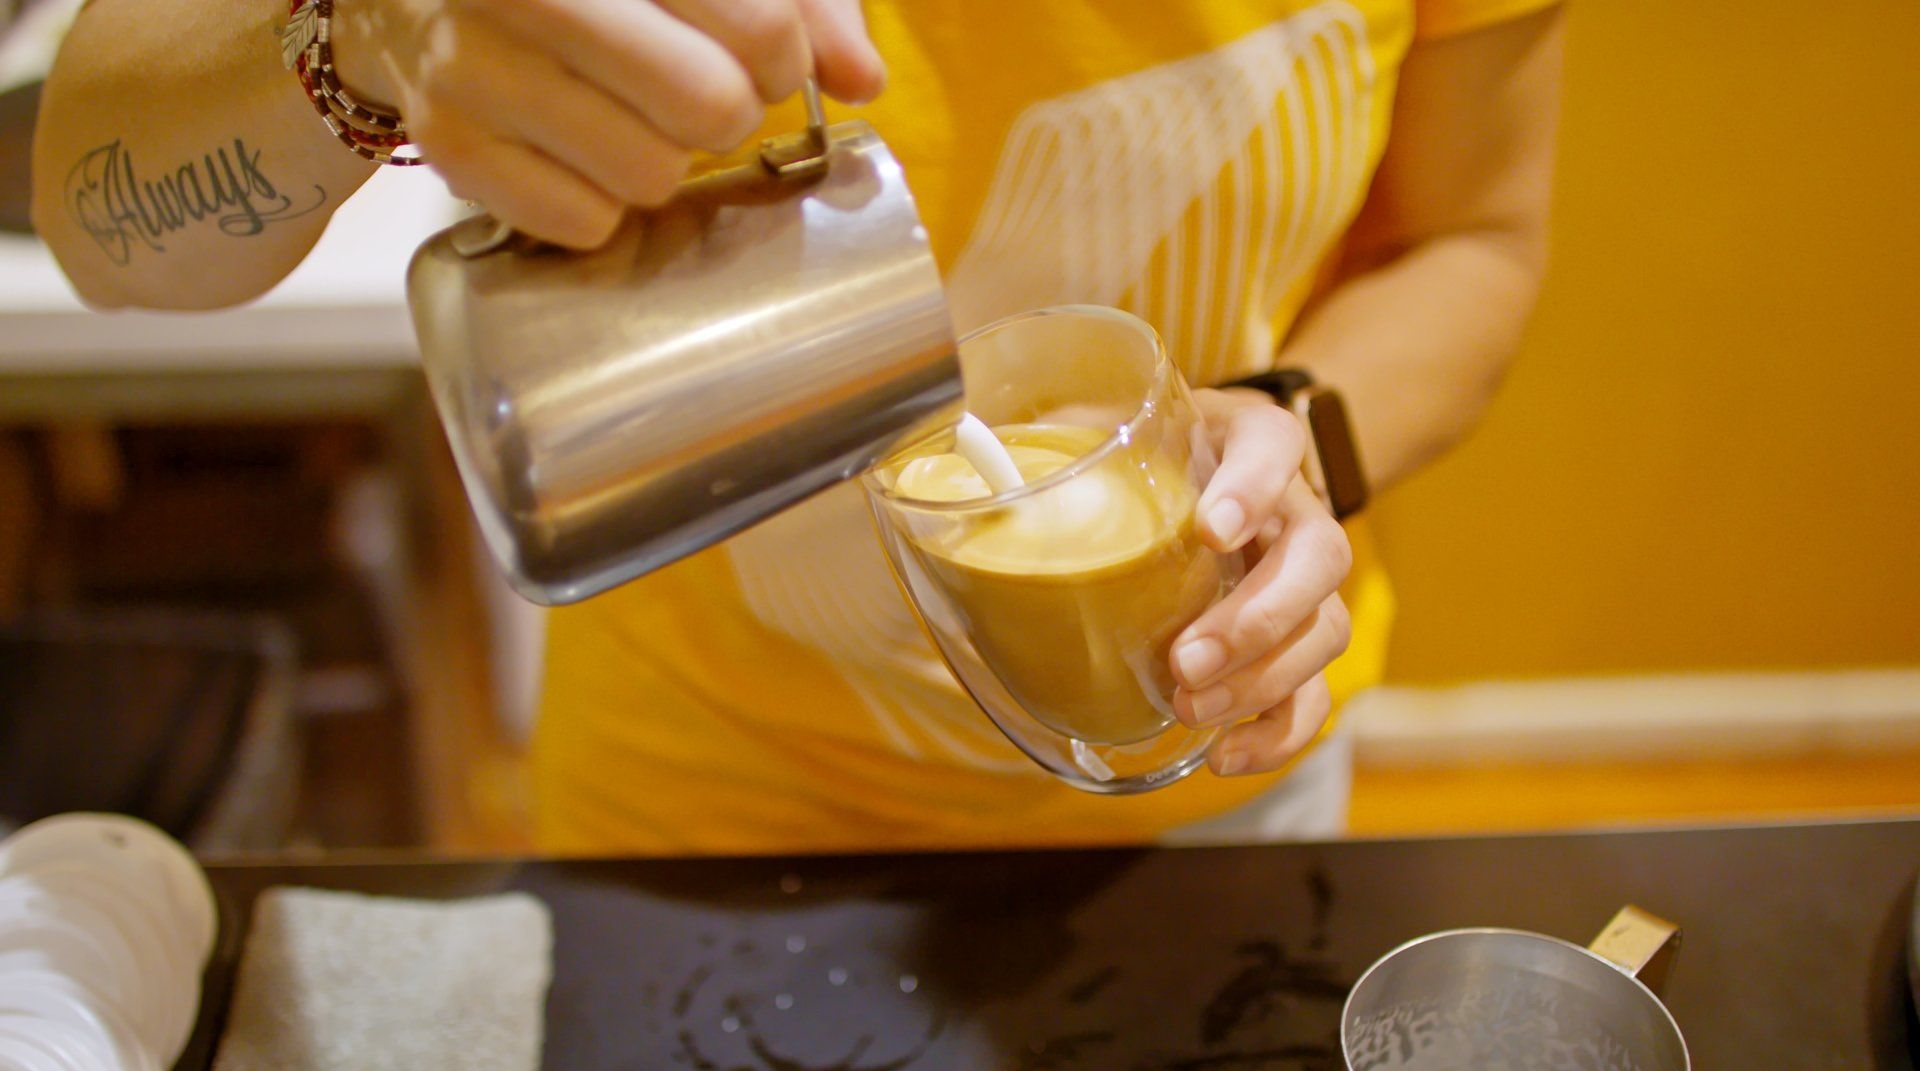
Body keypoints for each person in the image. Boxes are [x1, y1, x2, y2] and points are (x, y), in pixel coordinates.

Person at [31, 0, 1562, 853]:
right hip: (702, 819)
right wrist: (364, 37)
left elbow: (1475, 241)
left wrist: (1296, 432)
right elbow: (102, 224)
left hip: (1221, 785)